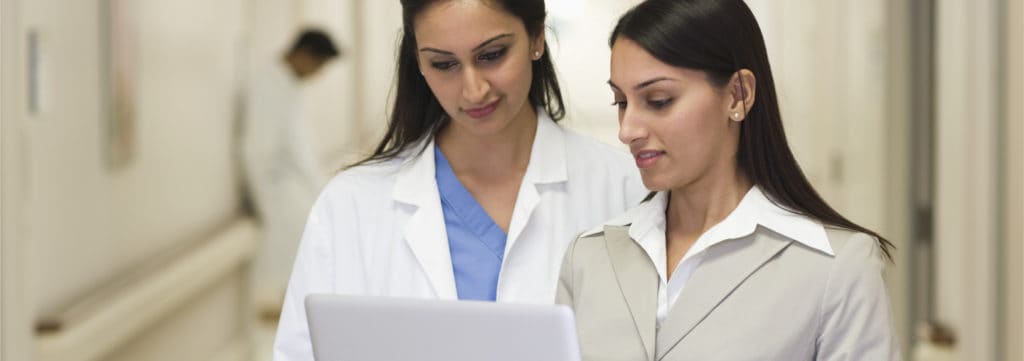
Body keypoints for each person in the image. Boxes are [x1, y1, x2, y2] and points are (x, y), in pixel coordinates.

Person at [273, 1, 646, 360]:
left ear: (535, 37)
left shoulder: (626, 190)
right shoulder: (351, 205)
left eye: (492, 54)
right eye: (443, 64)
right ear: (418, 61)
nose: (473, 90)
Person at [555, 0, 901, 360]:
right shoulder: (590, 256)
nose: (627, 131)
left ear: (739, 94)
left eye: (658, 101)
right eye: (621, 102)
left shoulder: (835, 268)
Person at [241, 29, 340, 316]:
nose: (318, 74)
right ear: (304, 54)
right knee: (284, 265)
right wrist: (264, 200)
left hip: (294, 191)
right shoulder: (267, 85)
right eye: (319, 65)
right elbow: (257, 149)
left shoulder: (289, 85)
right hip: (277, 194)